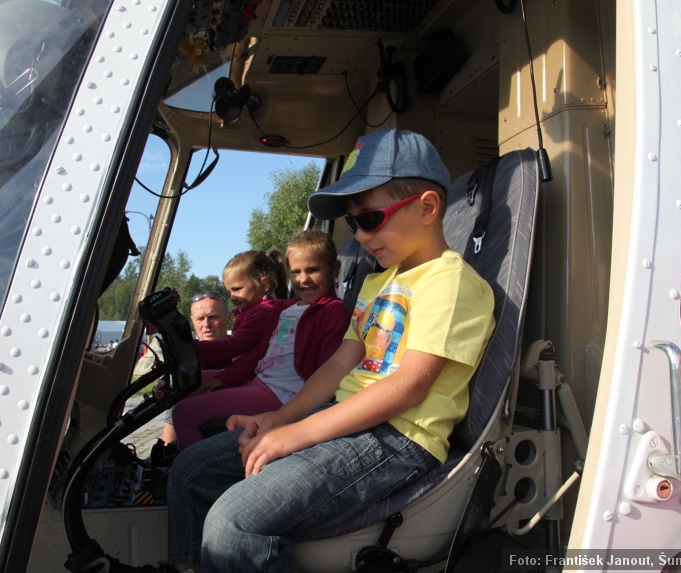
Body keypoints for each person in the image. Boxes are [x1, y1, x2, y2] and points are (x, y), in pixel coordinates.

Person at [167, 128, 496, 572]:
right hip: (347, 419)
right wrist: (282, 418)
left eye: (370, 219)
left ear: (426, 207)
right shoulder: (380, 282)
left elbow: (410, 385)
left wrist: (300, 433)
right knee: (190, 470)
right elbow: (340, 362)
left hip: (399, 439)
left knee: (232, 524)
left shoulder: (450, 282)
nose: (360, 236)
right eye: (353, 223)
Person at [170, 230, 349, 449]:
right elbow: (259, 354)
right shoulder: (285, 308)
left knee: (183, 413)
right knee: (186, 384)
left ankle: (193, 465)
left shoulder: (333, 312)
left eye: (313, 269)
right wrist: (224, 378)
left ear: (335, 269)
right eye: (296, 272)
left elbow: (328, 369)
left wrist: (301, 414)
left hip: (282, 395)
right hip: (260, 382)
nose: (304, 279)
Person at [159, 292, 232, 446]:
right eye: (200, 319)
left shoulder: (243, 354)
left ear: (228, 318)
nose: (207, 325)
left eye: (213, 317)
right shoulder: (185, 358)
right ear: (192, 322)